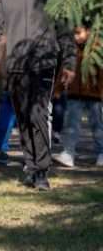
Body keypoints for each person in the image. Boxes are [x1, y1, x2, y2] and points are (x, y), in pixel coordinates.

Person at [0, 0, 76, 191]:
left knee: (38, 114)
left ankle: (41, 171)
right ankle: (31, 166)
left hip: (43, 62)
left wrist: (69, 63)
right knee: (23, 116)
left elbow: (64, 30)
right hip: (15, 64)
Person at [53, 24, 103, 168]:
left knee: (98, 125)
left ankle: (101, 152)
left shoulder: (97, 48)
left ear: (88, 31)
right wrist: (58, 89)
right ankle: (68, 153)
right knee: (71, 125)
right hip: (75, 94)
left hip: (95, 95)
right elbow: (65, 70)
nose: (75, 37)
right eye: (74, 33)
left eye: (78, 33)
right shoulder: (71, 49)